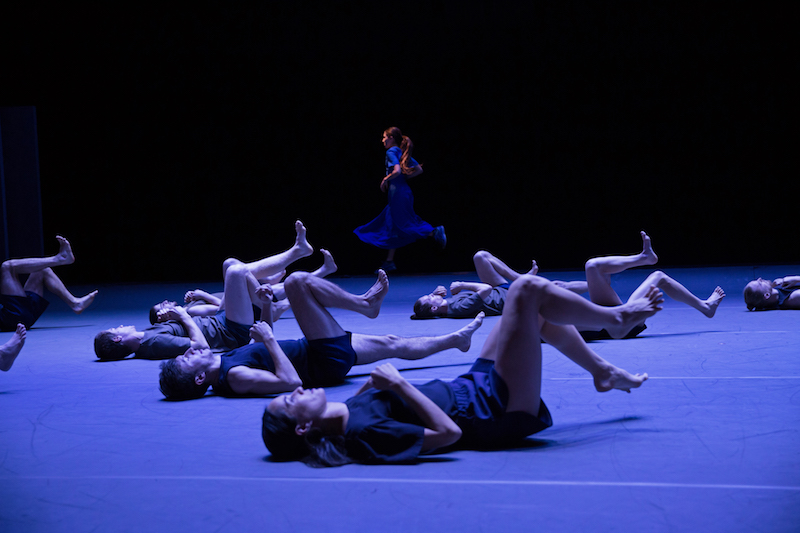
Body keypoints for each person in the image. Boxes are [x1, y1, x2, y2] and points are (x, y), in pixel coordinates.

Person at [261, 274, 663, 466]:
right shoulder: (363, 436)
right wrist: (400, 385)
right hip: (494, 410)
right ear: (301, 428)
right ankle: (618, 317)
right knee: (525, 292)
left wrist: (377, 386)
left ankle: (601, 371)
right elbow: (447, 434)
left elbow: (386, 400)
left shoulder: (351, 410)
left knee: (529, 313)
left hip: (472, 385)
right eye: (289, 400)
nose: (297, 391)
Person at [158, 269, 485, 400]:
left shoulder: (220, 364)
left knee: (393, 344)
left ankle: (457, 340)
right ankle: (365, 305)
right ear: (199, 379)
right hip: (322, 357)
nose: (191, 351)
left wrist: (266, 308)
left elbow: (259, 348)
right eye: (187, 359)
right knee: (297, 282)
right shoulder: (235, 377)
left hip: (316, 351)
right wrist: (269, 340)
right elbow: (291, 383)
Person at [94, 256, 272, 361]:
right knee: (235, 271)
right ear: (117, 338)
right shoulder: (152, 343)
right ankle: (268, 303)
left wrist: (172, 316)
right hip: (231, 331)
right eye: (115, 329)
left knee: (230, 263)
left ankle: (269, 295)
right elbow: (200, 345)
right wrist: (182, 316)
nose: (119, 326)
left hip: (219, 320)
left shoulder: (147, 334)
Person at [556, 231, 725, 339]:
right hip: (617, 324)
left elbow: (562, 286)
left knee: (592, 267)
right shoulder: (547, 323)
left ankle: (644, 257)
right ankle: (705, 307)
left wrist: (595, 284)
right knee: (658, 277)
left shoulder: (543, 302)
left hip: (606, 312)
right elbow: (588, 325)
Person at [151, 248, 338, 324]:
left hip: (247, 305)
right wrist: (203, 294)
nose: (166, 302)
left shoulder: (189, 308)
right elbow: (220, 308)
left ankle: (322, 270)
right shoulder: (190, 312)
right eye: (163, 305)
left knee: (280, 289)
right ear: (164, 317)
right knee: (233, 267)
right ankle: (304, 261)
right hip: (250, 312)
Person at [353, 127, 446, 273]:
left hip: (398, 195)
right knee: (392, 225)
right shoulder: (400, 152)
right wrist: (403, 178)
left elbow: (396, 170)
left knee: (404, 224)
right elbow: (419, 170)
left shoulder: (391, 151)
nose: (382, 140)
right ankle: (389, 261)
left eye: (384, 137)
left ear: (391, 138)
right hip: (402, 193)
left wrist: (386, 179)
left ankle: (434, 232)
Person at [1, 235, 97, 332]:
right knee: (7, 267)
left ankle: (75, 303)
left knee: (42, 269)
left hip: (21, 315)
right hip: (13, 317)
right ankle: (59, 259)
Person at [412, 250, 538, 319]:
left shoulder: (446, 305)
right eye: (430, 297)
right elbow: (486, 289)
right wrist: (461, 285)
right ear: (434, 308)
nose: (431, 294)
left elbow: (438, 304)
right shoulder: (458, 308)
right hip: (511, 296)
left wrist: (435, 295)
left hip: (499, 290)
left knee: (480, 256)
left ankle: (520, 277)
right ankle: (523, 281)